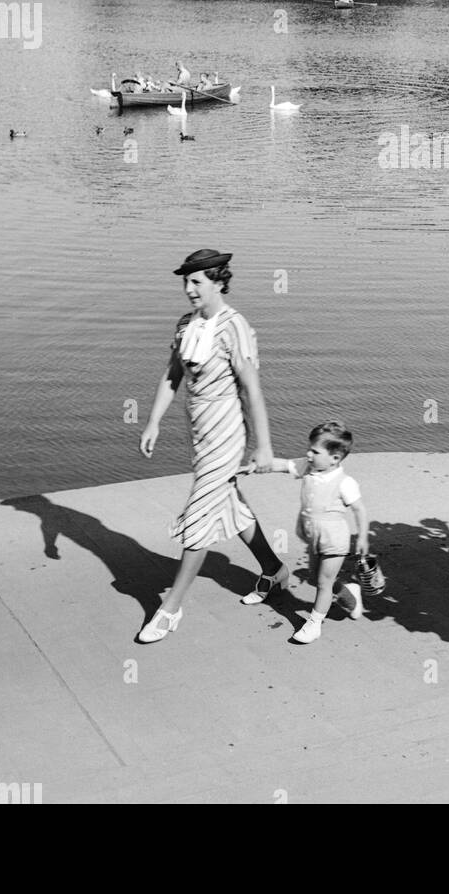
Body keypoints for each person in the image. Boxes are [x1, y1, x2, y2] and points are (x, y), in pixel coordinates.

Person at [136, 248, 286, 642]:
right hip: (199, 432)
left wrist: (264, 446)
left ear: (219, 282)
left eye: (196, 282)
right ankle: (274, 570)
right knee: (229, 504)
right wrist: (152, 422)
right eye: (186, 282)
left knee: (200, 515)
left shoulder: (234, 327)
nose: (188, 289)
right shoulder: (186, 324)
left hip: (227, 432)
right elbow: (172, 376)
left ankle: (170, 608)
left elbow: (252, 390)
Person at [246, 420, 368, 643]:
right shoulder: (309, 467)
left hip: (335, 541)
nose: (308, 454)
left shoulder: (344, 482)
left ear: (335, 458)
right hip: (314, 538)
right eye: (309, 449)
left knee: (323, 583)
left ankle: (314, 624)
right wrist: (258, 466)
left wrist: (361, 537)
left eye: (314, 451)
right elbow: (284, 465)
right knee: (316, 579)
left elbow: (359, 509)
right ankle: (350, 595)